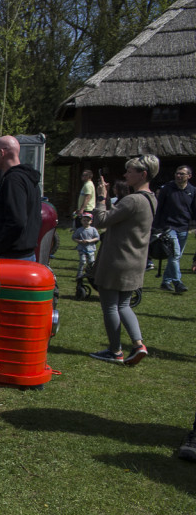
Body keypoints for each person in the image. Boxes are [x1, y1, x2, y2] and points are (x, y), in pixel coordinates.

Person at [89, 155, 159, 365]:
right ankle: (138, 344)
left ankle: (115, 351)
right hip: (136, 259)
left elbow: (100, 221)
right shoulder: (151, 198)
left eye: (130, 171)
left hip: (118, 259)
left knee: (111, 306)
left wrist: (101, 198)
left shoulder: (133, 200)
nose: (126, 174)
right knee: (124, 305)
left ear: (142, 174)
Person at [0, 135, 41, 260]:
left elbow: (17, 221)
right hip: (25, 253)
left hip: (13, 256)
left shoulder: (13, 180)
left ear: (2, 153)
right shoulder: (28, 178)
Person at [152, 164, 195, 294]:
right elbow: (159, 208)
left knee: (176, 256)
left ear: (189, 176)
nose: (178, 175)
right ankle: (177, 282)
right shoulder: (167, 189)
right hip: (168, 227)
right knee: (175, 254)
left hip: (184, 227)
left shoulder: (192, 191)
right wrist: (156, 226)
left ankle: (166, 281)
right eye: (177, 173)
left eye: (182, 174)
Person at [72, 212, 99, 278]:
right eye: (84, 220)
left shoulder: (93, 229)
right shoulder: (79, 230)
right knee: (82, 261)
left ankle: (90, 273)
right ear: (81, 221)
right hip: (82, 248)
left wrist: (89, 241)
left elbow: (97, 238)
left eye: (88, 220)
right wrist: (80, 241)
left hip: (91, 248)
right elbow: (74, 237)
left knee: (91, 262)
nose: (86, 222)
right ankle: (79, 274)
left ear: (91, 221)